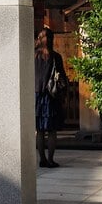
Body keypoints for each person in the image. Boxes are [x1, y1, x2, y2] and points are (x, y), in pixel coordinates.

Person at [34, 27, 66, 168]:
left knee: (39, 130)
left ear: (39, 40)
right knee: (52, 131)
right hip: (51, 96)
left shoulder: (32, 56)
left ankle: (42, 159)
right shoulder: (56, 57)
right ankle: (51, 159)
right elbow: (62, 77)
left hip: (35, 96)